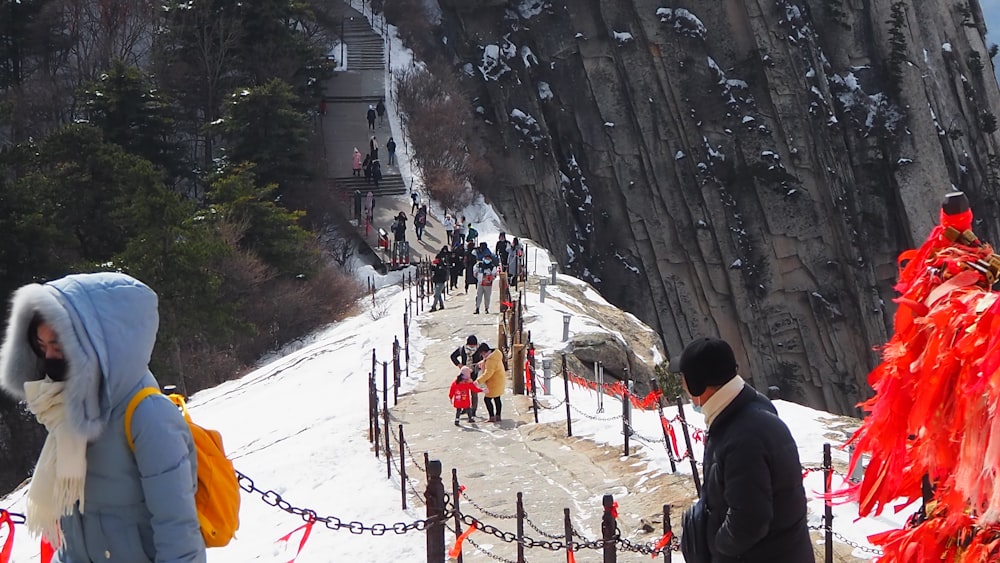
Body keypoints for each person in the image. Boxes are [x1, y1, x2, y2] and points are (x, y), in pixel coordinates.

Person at [0, 272, 205, 561]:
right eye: (42, 347)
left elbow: (179, 533)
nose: (50, 359)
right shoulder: (66, 416)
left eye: (60, 346)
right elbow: (74, 536)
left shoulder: (149, 416)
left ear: (99, 343)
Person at [672, 337, 814, 563]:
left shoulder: (743, 436)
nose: (683, 387)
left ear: (698, 384)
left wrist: (714, 547)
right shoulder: (744, 411)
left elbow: (750, 521)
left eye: (684, 380)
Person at [450, 335, 484, 419]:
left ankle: (473, 410)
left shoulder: (480, 349)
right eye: (471, 345)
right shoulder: (462, 349)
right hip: (465, 373)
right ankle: (465, 408)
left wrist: (481, 364)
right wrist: (459, 365)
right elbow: (453, 356)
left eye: (474, 345)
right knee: (463, 391)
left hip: (475, 372)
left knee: (474, 391)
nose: (472, 347)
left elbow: (486, 357)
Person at [475, 342, 507, 423]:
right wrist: (483, 362)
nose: (482, 356)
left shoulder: (490, 361)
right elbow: (487, 361)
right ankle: (498, 415)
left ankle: (492, 417)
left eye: (482, 354)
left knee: (487, 399)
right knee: (497, 398)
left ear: (483, 352)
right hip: (500, 379)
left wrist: (478, 381)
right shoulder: (495, 355)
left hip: (494, 382)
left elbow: (488, 374)